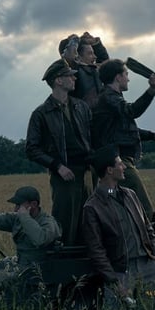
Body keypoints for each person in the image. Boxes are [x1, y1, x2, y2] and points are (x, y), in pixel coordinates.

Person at [82, 145, 155, 309]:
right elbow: (96, 250)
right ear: (110, 170)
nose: (124, 167)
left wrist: (154, 255)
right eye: (120, 164)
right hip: (120, 272)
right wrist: (113, 280)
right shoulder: (92, 207)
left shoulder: (130, 194)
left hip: (147, 267)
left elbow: (147, 227)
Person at [25, 58, 93, 245]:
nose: (74, 79)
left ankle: (86, 269)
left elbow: (91, 138)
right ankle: (63, 268)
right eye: (70, 76)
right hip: (64, 175)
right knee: (65, 224)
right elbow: (31, 149)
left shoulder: (81, 107)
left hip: (87, 172)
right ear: (58, 80)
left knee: (88, 222)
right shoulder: (41, 113)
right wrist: (58, 166)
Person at [91, 59, 155, 217]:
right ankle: (148, 240)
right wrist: (152, 90)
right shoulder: (109, 98)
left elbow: (125, 130)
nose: (128, 78)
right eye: (126, 74)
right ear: (118, 77)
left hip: (118, 160)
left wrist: (153, 136)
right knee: (143, 208)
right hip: (119, 161)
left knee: (124, 209)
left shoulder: (111, 99)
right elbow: (132, 111)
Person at [71, 42, 104, 108]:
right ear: (78, 57)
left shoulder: (94, 71)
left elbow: (105, 62)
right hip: (85, 116)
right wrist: (73, 41)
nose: (95, 57)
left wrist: (96, 43)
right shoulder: (76, 72)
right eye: (90, 53)